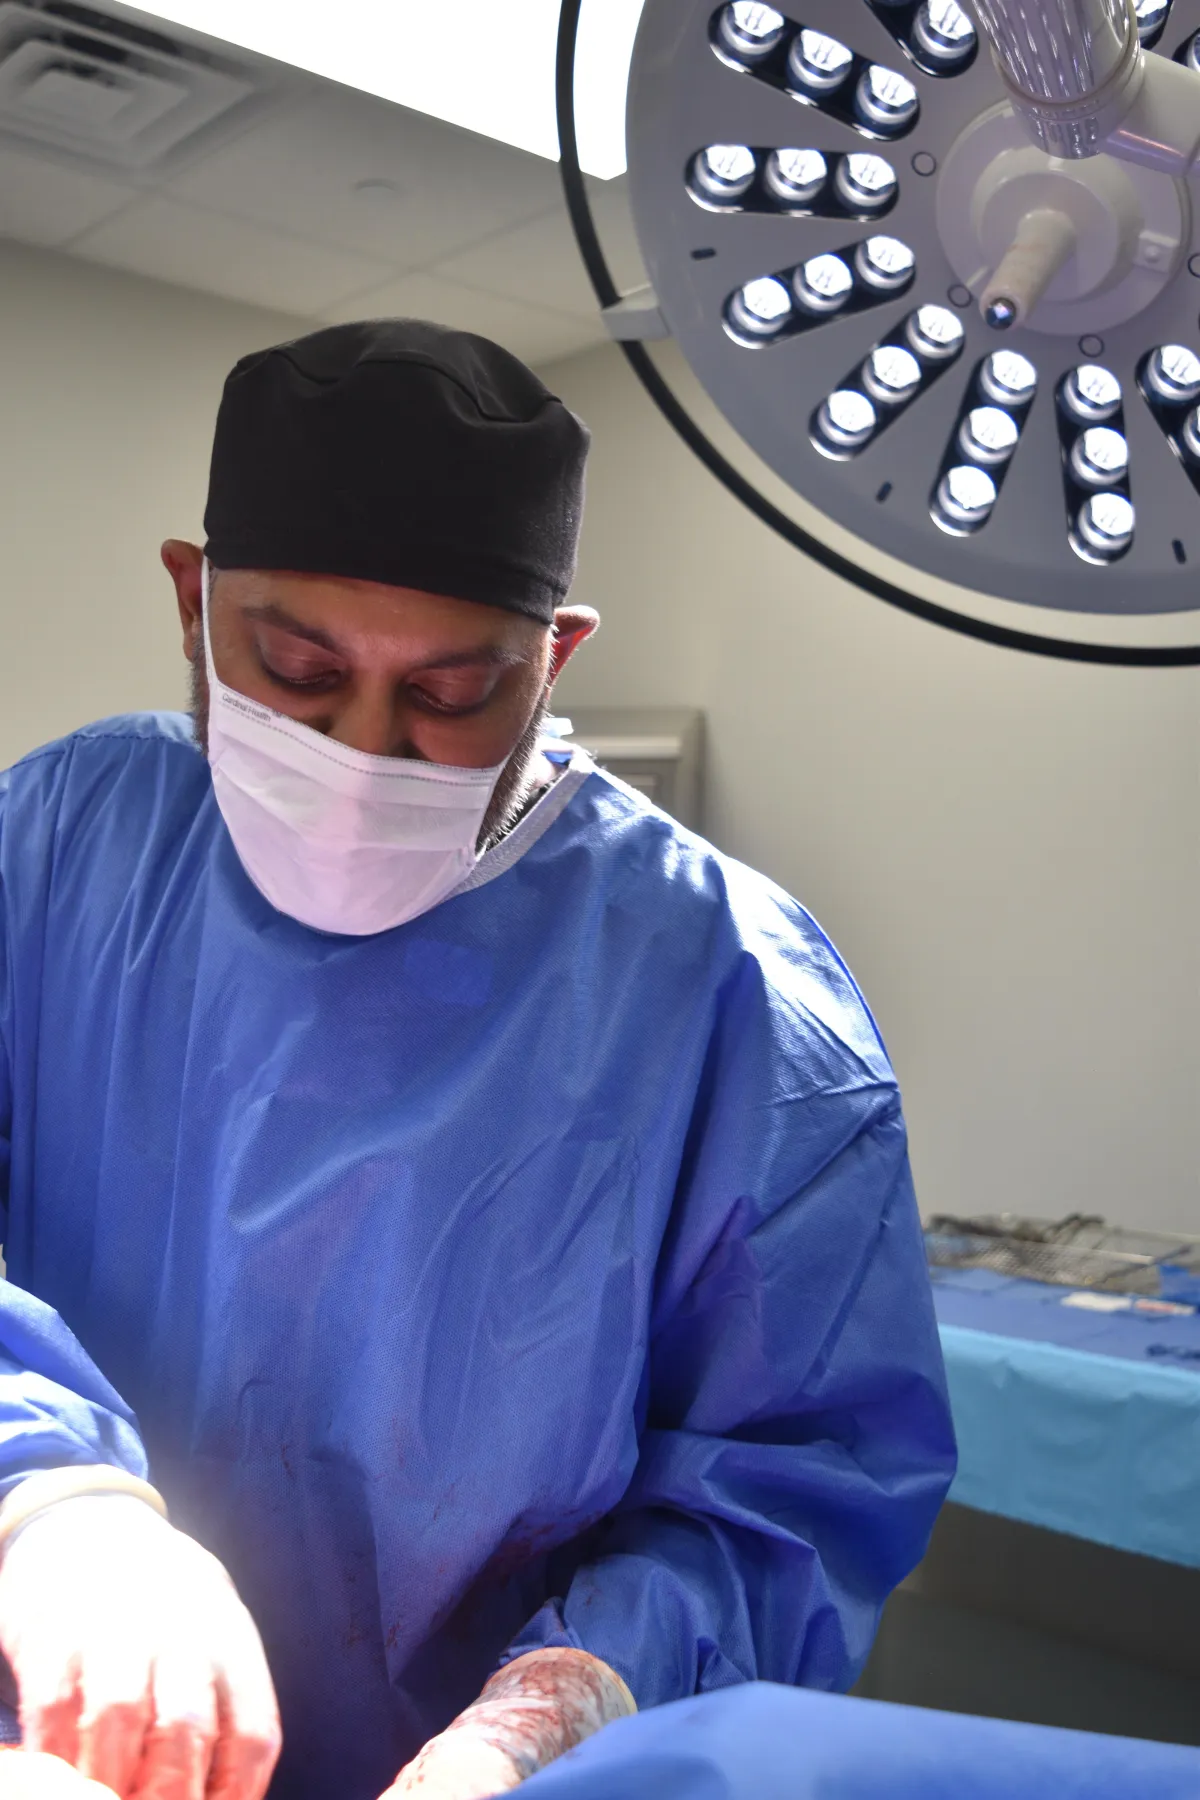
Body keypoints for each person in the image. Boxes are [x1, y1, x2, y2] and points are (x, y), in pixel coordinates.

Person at [0, 320, 955, 1800]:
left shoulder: (730, 993)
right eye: (295, 664)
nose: (365, 751)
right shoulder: (58, 846)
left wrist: (567, 1707)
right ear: (193, 599)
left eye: (452, 696)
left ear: (556, 656)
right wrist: (49, 1500)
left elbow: (800, 1480)